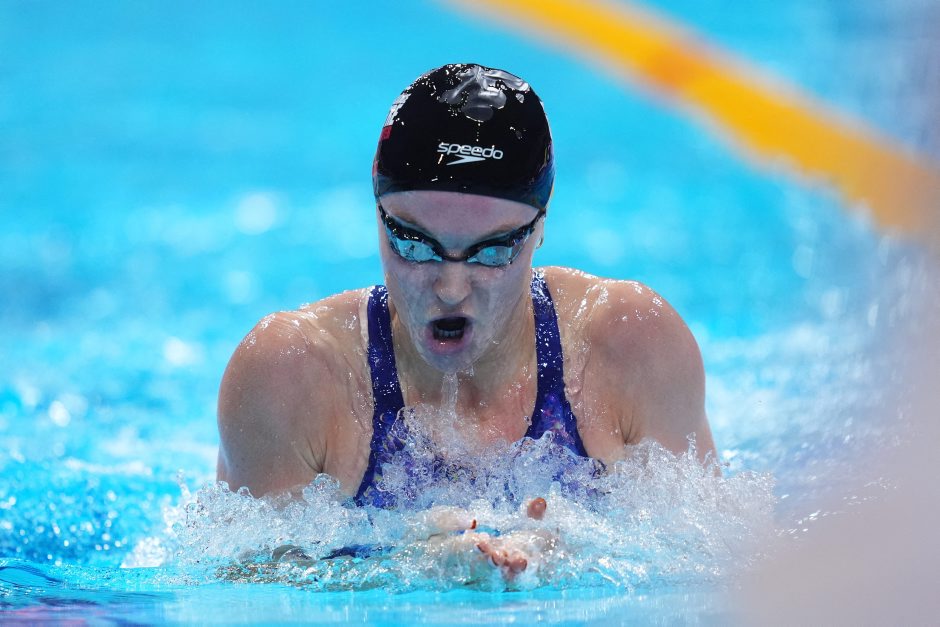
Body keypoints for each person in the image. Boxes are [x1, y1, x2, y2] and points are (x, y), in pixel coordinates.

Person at [216, 63, 716, 576]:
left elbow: (712, 568)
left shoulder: (634, 350)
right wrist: (411, 567)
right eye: (414, 243)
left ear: (541, 225)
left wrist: (572, 557)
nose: (451, 289)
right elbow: (245, 587)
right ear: (377, 212)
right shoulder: (292, 377)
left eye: (492, 251)